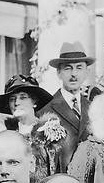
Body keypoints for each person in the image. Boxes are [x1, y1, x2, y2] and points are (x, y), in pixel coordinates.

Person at [37, 42, 95, 170]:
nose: (74, 74)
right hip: (61, 180)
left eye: (79, 68)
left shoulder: (94, 109)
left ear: (87, 72)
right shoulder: (45, 109)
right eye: (68, 68)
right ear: (59, 73)